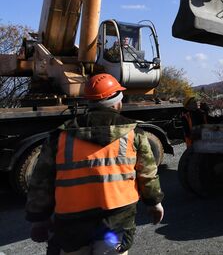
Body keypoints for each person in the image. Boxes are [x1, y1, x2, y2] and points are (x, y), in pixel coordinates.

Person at [26, 73, 164, 254]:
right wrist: (154, 203)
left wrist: (39, 218)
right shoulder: (134, 133)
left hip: (71, 223)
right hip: (116, 221)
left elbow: (41, 181)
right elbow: (147, 174)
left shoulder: (60, 136)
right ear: (117, 103)